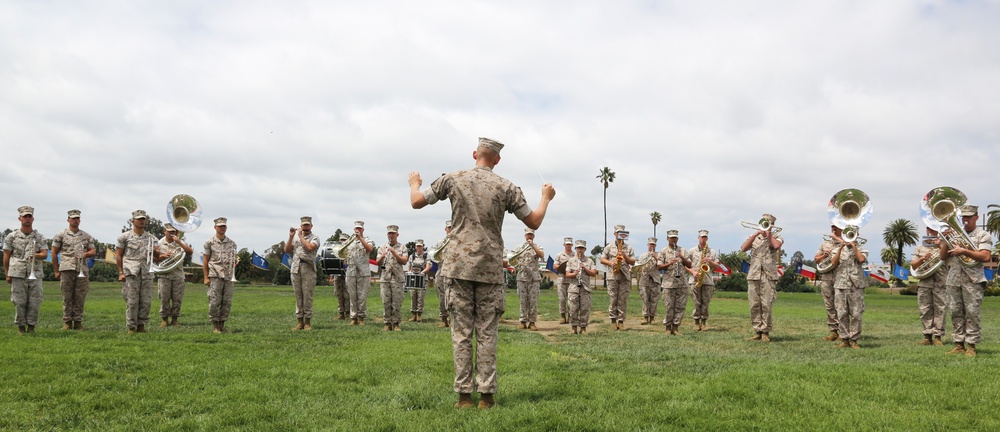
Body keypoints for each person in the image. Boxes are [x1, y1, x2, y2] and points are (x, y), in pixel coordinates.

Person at [409, 136, 554, 410]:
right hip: (489, 269)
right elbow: (533, 220)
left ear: (474, 153)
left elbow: (417, 201)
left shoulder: (452, 179)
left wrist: (414, 183)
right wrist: (545, 198)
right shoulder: (507, 186)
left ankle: (464, 397)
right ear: (497, 160)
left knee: (461, 332)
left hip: (458, 268)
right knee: (487, 333)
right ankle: (486, 397)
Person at [939, 205, 993, 357]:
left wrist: (964, 251)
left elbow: (985, 256)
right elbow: (942, 257)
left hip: (973, 280)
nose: (966, 220)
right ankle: (958, 344)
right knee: (955, 312)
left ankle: (971, 346)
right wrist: (945, 240)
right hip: (954, 279)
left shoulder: (983, 235)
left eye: (969, 217)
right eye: (963, 217)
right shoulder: (955, 235)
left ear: (976, 217)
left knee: (972, 312)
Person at [3, 206, 47, 334]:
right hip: (17, 272)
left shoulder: (39, 237)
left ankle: (31, 327)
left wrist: (36, 255)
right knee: (19, 301)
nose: (27, 219)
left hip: (36, 272)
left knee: (35, 301)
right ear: (19, 218)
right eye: (25, 216)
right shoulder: (12, 236)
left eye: (29, 216)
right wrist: (7, 273)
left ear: (33, 218)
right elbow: (6, 255)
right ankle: (21, 328)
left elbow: (44, 254)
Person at [116, 210, 161, 334]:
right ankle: (131, 327)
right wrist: (120, 272)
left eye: (143, 219)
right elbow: (118, 255)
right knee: (132, 300)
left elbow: (156, 254)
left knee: (146, 301)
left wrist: (157, 252)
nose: (141, 221)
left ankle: (141, 326)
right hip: (131, 272)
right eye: (139, 219)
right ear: (133, 221)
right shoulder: (124, 237)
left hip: (146, 272)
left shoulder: (152, 238)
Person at [740, 213, 783, 342]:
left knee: (767, 304)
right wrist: (755, 234)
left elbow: (776, 246)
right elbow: (743, 248)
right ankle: (757, 331)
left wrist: (768, 234)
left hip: (768, 275)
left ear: (772, 225)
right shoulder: (755, 237)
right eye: (764, 222)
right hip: (754, 274)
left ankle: (765, 332)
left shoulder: (777, 236)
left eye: (768, 223)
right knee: (754, 304)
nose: (766, 225)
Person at [51, 209, 96, 330]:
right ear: (68, 220)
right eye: (73, 218)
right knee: (67, 296)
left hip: (82, 269)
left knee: (80, 296)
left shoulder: (86, 236)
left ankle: (78, 322)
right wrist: (56, 270)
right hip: (66, 268)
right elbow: (54, 253)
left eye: (78, 218)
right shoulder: (60, 235)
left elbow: (93, 251)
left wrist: (85, 254)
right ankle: (67, 322)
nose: (76, 220)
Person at [829, 228, 868, 348]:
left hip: (856, 285)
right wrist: (841, 248)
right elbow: (833, 263)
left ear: (858, 234)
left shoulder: (862, 249)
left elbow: (861, 259)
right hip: (840, 284)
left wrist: (853, 247)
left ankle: (854, 340)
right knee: (841, 313)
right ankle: (845, 339)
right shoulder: (836, 249)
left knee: (856, 314)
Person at [911, 227, 947, 346]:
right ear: (926, 230)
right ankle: (927, 337)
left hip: (940, 282)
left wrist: (941, 246)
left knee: (940, 308)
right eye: (929, 229)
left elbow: (948, 258)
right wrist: (922, 258)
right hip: (924, 283)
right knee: (924, 309)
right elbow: (914, 266)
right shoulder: (920, 247)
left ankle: (938, 337)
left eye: (934, 229)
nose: (931, 232)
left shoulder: (945, 245)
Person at [202, 217, 238, 333]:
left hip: (228, 276)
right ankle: (215, 325)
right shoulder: (209, 242)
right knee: (214, 301)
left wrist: (235, 261)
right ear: (215, 227)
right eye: (220, 226)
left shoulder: (232, 243)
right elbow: (205, 261)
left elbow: (234, 258)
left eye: (224, 226)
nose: (222, 228)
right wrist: (206, 277)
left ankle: (222, 324)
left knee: (227, 301)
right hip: (215, 274)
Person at [155, 223, 193, 328]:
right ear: (165, 231)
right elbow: (154, 259)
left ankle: (175, 320)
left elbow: (190, 252)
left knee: (177, 299)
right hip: (164, 275)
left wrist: (179, 242)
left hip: (178, 275)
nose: (172, 233)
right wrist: (163, 256)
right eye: (169, 231)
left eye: (173, 231)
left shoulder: (180, 242)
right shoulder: (159, 243)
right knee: (164, 298)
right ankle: (164, 320)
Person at [286, 216, 320, 331]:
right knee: (298, 296)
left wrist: (300, 236)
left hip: (308, 268)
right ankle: (299, 322)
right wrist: (291, 237)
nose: (305, 227)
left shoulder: (314, 238)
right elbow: (287, 250)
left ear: (311, 226)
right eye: (303, 225)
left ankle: (307, 322)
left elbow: (310, 247)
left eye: (307, 225)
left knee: (307, 296)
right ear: (300, 226)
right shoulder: (295, 238)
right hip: (296, 268)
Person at [600, 225, 635, 330]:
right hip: (612, 276)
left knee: (622, 299)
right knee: (613, 299)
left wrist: (625, 256)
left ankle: (621, 321)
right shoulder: (609, 247)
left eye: (622, 233)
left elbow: (633, 261)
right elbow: (602, 259)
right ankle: (613, 321)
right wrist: (611, 263)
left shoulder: (629, 248)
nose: (620, 236)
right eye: (618, 233)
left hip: (624, 276)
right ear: (615, 234)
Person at [657, 230, 691, 335]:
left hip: (682, 283)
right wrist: (669, 263)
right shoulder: (663, 251)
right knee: (669, 306)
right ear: (668, 239)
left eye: (675, 238)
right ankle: (667, 327)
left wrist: (682, 257)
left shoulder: (683, 250)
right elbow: (659, 267)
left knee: (680, 307)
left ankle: (676, 328)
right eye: (672, 238)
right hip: (669, 283)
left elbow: (689, 265)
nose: (674, 240)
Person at [814, 225, 843, 341]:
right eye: (832, 227)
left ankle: (843, 331)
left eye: (836, 227)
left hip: (841, 277)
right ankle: (833, 331)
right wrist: (824, 255)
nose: (833, 229)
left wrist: (839, 241)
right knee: (829, 305)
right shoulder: (825, 243)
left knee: (841, 305)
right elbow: (816, 259)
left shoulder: (846, 242)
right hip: (826, 277)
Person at [377, 225, 408, 331]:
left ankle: (396, 323)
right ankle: (387, 323)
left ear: (397, 235)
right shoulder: (382, 248)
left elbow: (404, 261)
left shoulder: (403, 247)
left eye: (393, 233)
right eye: (389, 233)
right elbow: (377, 263)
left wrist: (394, 253)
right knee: (386, 301)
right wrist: (382, 256)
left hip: (397, 278)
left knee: (397, 301)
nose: (391, 235)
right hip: (385, 278)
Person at [688, 230, 720, 331]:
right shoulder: (692, 251)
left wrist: (709, 261)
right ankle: (696, 322)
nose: (703, 239)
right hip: (695, 279)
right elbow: (685, 265)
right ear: (698, 238)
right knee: (697, 302)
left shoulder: (712, 252)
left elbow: (717, 266)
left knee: (705, 302)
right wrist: (693, 272)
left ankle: (704, 322)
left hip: (708, 281)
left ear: (707, 238)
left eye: (705, 237)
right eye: (702, 237)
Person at [514, 227, 544, 331]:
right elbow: (513, 259)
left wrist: (533, 246)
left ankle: (532, 322)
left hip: (534, 278)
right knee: (523, 300)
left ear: (534, 236)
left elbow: (541, 255)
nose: (529, 236)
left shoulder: (538, 246)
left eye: (531, 235)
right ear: (525, 236)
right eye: (528, 235)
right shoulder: (519, 247)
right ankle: (523, 321)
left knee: (533, 301)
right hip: (522, 277)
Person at [345, 221, 374, 326]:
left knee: (362, 296)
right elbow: (342, 253)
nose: (358, 230)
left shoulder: (367, 240)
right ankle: (353, 318)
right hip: (351, 271)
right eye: (356, 228)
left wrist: (360, 238)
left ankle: (361, 317)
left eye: (360, 228)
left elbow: (370, 249)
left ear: (363, 230)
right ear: (354, 229)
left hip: (363, 272)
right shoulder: (349, 241)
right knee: (352, 296)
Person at [566, 240, 598, 335]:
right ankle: (574, 327)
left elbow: (593, 273)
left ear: (585, 249)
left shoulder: (589, 261)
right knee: (573, 308)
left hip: (585, 288)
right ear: (575, 249)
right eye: (578, 248)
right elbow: (567, 274)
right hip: (574, 288)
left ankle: (583, 328)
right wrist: (574, 273)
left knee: (585, 308)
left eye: (582, 248)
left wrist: (585, 268)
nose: (580, 250)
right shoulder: (571, 261)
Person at [430, 221, 453, 328]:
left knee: (453, 297)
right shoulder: (440, 242)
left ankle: (453, 319)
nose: (450, 229)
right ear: (445, 229)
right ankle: (444, 319)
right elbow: (433, 256)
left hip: (453, 273)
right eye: (448, 228)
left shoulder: (460, 241)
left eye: (452, 227)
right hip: (441, 272)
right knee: (441, 297)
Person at [637, 237, 660, 326]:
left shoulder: (659, 255)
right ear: (647, 245)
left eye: (653, 244)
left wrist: (656, 257)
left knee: (654, 299)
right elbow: (639, 266)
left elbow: (661, 266)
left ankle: (652, 317)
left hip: (655, 280)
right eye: (650, 244)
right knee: (645, 299)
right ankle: (645, 317)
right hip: (644, 280)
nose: (652, 246)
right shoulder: (643, 255)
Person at [553, 237, 573, 324]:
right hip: (561, 278)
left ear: (572, 245)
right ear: (564, 245)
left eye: (569, 244)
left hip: (571, 279)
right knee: (562, 299)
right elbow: (555, 266)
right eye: (567, 244)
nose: (568, 246)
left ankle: (571, 316)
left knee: (571, 299)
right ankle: (562, 316)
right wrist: (563, 266)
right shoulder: (559, 255)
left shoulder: (575, 255)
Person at [408, 239, 429, 322]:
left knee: (420, 297)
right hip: (413, 280)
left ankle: (419, 314)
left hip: (422, 280)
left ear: (423, 246)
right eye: (417, 246)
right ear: (415, 247)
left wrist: (421, 272)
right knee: (413, 296)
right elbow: (409, 267)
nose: (419, 247)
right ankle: (413, 315)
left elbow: (428, 267)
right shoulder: (412, 256)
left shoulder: (426, 256)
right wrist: (410, 273)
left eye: (420, 246)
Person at [333, 233, 350, 320]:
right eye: (341, 240)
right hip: (337, 274)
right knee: (338, 293)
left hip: (347, 274)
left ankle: (348, 313)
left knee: (347, 293)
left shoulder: (349, 251)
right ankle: (341, 313)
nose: (342, 242)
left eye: (344, 240)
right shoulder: (336, 250)